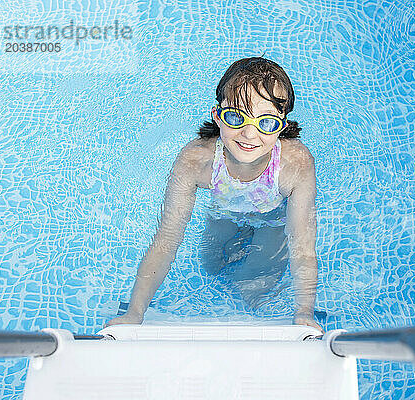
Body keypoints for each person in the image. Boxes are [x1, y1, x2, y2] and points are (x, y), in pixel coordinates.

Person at [105, 57, 323, 332]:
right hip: (224, 212)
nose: (248, 133)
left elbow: (302, 247)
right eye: (236, 116)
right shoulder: (197, 160)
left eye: (265, 122)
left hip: (271, 219)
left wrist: (304, 311)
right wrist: (135, 312)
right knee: (211, 265)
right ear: (217, 115)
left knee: (252, 287)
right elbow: (167, 240)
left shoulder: (295, 165)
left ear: (282, 125)